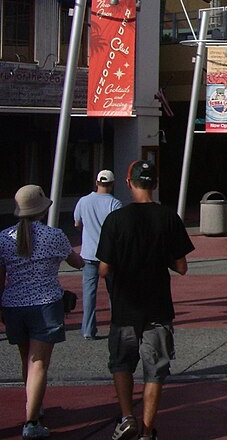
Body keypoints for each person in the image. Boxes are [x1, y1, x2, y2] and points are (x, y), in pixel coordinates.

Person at [97, 161, 194, 440]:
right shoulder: (168, 218)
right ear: (155, 183)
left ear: (129, 182)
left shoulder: (115, 220)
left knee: (121, 363)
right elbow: (182, 266)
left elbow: (104, 267)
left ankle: (127, 416)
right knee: (155, 370)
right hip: (158, 306)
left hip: (125, 305)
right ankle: (147, 431)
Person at [1, 185, 84, 439]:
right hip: (45, 305)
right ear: (41, 209)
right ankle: (31, 421)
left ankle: (33, 404)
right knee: (39, 364)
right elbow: (76, 262)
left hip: (14, 304)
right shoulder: (54, 236)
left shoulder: (4, 237)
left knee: (26, 359)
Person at [73, 169, 122, 340]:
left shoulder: (84, 201)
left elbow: (77, 223)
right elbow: (118, 230)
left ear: (97, 182)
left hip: (88, 253)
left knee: (89, 293)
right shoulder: (115, 204)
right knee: (114, 292)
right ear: (112, 184)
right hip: (109, 255)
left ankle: (88, 329)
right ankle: (117, 327)